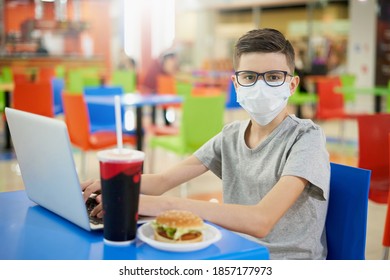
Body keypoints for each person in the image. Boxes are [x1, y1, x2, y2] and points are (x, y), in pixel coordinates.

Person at [82, 28, 330, 260]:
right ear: (235, 84)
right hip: (237, 252)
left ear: (292, 84)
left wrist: (162, 205)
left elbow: (261, 220)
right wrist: (111, 186)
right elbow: (162, 182)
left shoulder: (307, 138)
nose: (261, 86)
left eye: (274, 77)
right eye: (250, 77)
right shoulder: (231, 135)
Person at [140, 51, 178, 126]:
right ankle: (158, 122)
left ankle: (159, 122)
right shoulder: (165, 63)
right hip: (151, 90)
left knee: (163, 99)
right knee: (163, 98)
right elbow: (168, 71)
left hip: (153, 89)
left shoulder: (159, 62)